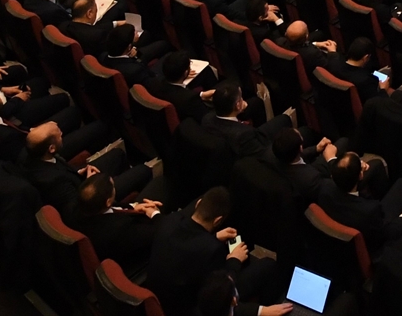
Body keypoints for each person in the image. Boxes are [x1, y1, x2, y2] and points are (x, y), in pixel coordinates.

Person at [145, 186, 280, 316]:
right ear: (218, 220)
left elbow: (185, 241)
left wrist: (212, 237)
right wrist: (234, 260)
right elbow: (218, 292)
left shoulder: (169, 220)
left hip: (156, 299)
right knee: (267, 264)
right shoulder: (213, 250)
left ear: (198, 204)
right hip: (189, 308)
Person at [317, 151, 402, 252]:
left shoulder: (324, 188)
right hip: (384, 246)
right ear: (360, 175)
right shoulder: (369, 210)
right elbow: (388, 234)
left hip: (362, 223)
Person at [23, 121, 154, 213]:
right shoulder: (55, 184)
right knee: (143, 170)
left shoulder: (34, 154)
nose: (62, 134)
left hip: (79, 179)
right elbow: (83, 208)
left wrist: (80, 172)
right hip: (94, 197)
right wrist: (91, 183)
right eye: (60, 135)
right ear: (51, 148)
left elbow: (61, 168)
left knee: (117, 155)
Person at [74, 173, 164, 270]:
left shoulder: (82, 209)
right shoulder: (120, 230)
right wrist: (155, 213)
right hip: (144, 251)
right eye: (113, 187)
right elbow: (160, 232)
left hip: (129, 222)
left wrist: (133, 207)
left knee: (159, 182)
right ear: (108, 202)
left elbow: (114, 207)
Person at [203, 81, 294, 159]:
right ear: (238, 106)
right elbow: (262, 154)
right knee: (284, 119)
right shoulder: (244, 135)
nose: (243, 100)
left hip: (232, 133)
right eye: (241, 98)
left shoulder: (207, 119)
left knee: (256, 102)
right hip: (255, 144)